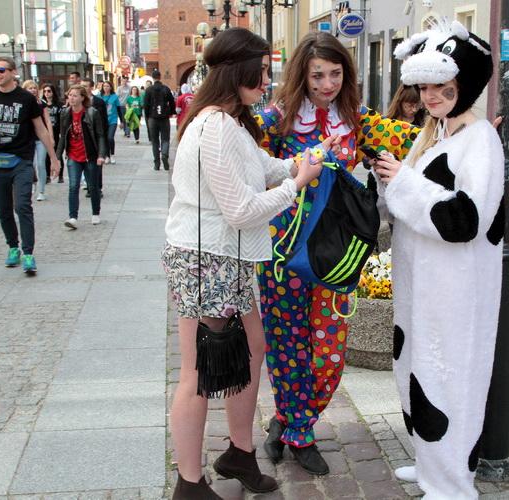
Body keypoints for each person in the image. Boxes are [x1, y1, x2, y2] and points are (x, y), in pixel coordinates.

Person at [162, 27, 335, 499]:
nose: (266, 81)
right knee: (198, 374)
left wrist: (303, 161)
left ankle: (239, 452)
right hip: (206, 260)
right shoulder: (215, 126)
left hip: (228, 259)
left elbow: (263, 167)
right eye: (259, 72)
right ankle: (189, 483)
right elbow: (240, 210)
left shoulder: (232, 122)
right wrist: (296, 185)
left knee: (253, 348)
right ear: (236, 71)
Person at [256, 32, 419, 475]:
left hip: (335, 253)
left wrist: (462, 132)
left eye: (335, 74)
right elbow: (241, 155)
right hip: (282, 251)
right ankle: (300, 432)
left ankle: (288, 421)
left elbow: (410, 140)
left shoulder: (356, 118)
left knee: (329, 350)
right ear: (301, 76)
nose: (327, 84)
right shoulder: (275, 119)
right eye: (317, 76)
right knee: (286, 344)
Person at [371, 22, 504, 498]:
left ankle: (452, 483)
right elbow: (411, 198)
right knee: (417, 369)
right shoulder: (434, 133)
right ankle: (431, 461)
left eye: (440, 86)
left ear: (463, 84)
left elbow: (465, 219)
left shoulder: (480, 139)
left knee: (450, 378)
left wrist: (402, 181)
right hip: (422, 283)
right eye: (424, 87)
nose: (429, 96)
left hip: (455, 289)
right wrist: (387, 178)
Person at [0, 56, 59, 275]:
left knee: (22, 205)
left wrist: (54, 158)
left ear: (13, 72)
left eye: (1, 70)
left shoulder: (26, 99)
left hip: (21, 159)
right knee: (3, 209)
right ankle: (13, 247)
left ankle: (28, 253)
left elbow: (41, 129)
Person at [57, 84, 107, 228]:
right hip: (73, 155)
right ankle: (73, 217)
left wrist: (101, 155)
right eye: (70, 95)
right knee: (73, 186)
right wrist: (57, 157)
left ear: (82, 98)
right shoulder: (65, 113)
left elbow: (100, 135)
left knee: (92, 186)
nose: (71, 98)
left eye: (75, 96)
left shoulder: (92, 113)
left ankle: (95, 213)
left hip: (90, 155)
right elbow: (63, 136)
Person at [22, 80, 54, 202]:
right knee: (31, 164)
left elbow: (48, 121)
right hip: (27, 138)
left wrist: (50, 137)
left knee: (40, 164)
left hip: (41, 138)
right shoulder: (22, 103)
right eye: (30, 88)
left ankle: (41, 191)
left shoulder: (42, 103)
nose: (33, 90)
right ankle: (32, 184)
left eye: (34, 88)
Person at [81, 78, 108, 197]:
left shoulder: (99, 102)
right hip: (84, 137)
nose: (83, 88)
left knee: (97, 163)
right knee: (85, 163)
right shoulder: (79, 102)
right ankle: (90, 187)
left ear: (91, 87)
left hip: (97, 136)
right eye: (82, 86)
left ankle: (98, 187)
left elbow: (104, 120)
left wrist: (104, 138)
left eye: (86, 86)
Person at [144, 68, 175, 170]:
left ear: (152, 78)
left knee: (155, 141)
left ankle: (156, 164)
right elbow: (172, 102)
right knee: (165, 139)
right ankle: (165, 154)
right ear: (160, 77)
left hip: (153, 118)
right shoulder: (166, 89)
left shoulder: (149, 90)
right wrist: (171, 112)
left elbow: (146, 105)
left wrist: (147, 116)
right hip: (164, 118)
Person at [42, 83, 65, 183]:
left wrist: (61, 132)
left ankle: (60, 175)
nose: (46, 93)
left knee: (57, 153)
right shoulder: (42, 104)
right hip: (45, 132)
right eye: (44, 91)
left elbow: (62, 119)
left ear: (53, 92)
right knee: (46, 155)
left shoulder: (59, 105)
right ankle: (47, 175)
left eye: (49, 91)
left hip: (56, 132)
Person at [100, 81, 121, 164]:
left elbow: (119, 109)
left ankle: (112, 155)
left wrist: (122, 121)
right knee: (105, 138)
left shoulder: (114, 97)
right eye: (104, 86)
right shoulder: (99, 96)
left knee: (110, 137)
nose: (106, 88)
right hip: (102, 121)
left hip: (113, 120)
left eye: (107, 86)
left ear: (111, 87)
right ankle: (107, 156)